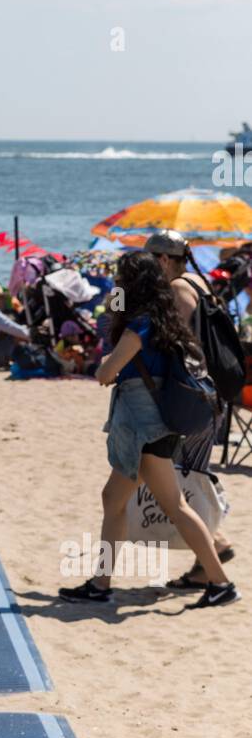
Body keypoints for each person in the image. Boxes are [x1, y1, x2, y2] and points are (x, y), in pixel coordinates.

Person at [59, 250, 240, 609]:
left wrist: (114, 316)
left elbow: (104, 373)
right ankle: (101, 582)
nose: (116, 284)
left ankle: (220, 582)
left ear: (132, 284)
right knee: (115, 499)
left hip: (144, 429)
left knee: (172, 506)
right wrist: (115, 306)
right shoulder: (164, 319)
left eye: (120, 280)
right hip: (157, 425)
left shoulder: (140, 325)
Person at [143, 230, 235, 590]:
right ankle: (211, 555)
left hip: (193, 399)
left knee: (186, 481)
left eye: (151, 262)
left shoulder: (180, 289)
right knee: (186, 479)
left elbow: (175, 341)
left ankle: (215, 554)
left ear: (164, 260)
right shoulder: (200, 283)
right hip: (205, 397)